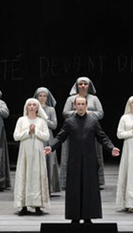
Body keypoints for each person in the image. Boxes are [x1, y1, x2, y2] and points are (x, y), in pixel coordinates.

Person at [45, 96, 120, 224]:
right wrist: (51, 147)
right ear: (75, 106)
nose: (80, 106)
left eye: (82, 104)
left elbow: (103, 137)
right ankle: (74, 217)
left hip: (89, 160)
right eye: (78, 104)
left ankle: (88, 216)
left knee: (89, 188)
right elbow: (60, 137)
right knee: (74, 189)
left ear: (86, 106)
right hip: (74, 161)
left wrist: (111, 148)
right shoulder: (69, 121)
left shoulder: (93, 121)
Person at [61, 77, 105, 189]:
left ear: (89, 86)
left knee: (94, 155)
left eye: (85, 84)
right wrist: (79, 112)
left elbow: (101, 113)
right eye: (80, 84)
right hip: (74, 129)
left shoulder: (94, 99)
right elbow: (65, 113)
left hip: (89, 129)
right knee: (71, 156)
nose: (83, 86)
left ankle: (95, 181)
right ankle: (68, 181)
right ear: (77, 86)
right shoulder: (71, 99)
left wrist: (89, 113)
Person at [13, 98, 50, 216]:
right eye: (30, 105)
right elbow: (16, 136)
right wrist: (28, 131)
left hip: (37, 151)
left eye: (34, 105)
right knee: (24, 175)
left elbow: (46, 136)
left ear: (38, 107)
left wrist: (36, 131)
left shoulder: (41, 121)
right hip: (25, 152)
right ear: (26, 107)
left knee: (37, 176)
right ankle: (23, 205)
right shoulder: (21, 120)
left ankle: (38, 205)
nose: (32, 107)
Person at [33, 87, 60, 194]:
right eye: (40, 95)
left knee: (49, 161)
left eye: (44, 96)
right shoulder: (32, 108)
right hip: (36, 136)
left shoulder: (50, 110)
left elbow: (54, 125)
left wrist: (43, 119)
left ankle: (49, 187)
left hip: (48, 137)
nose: (42, 98)